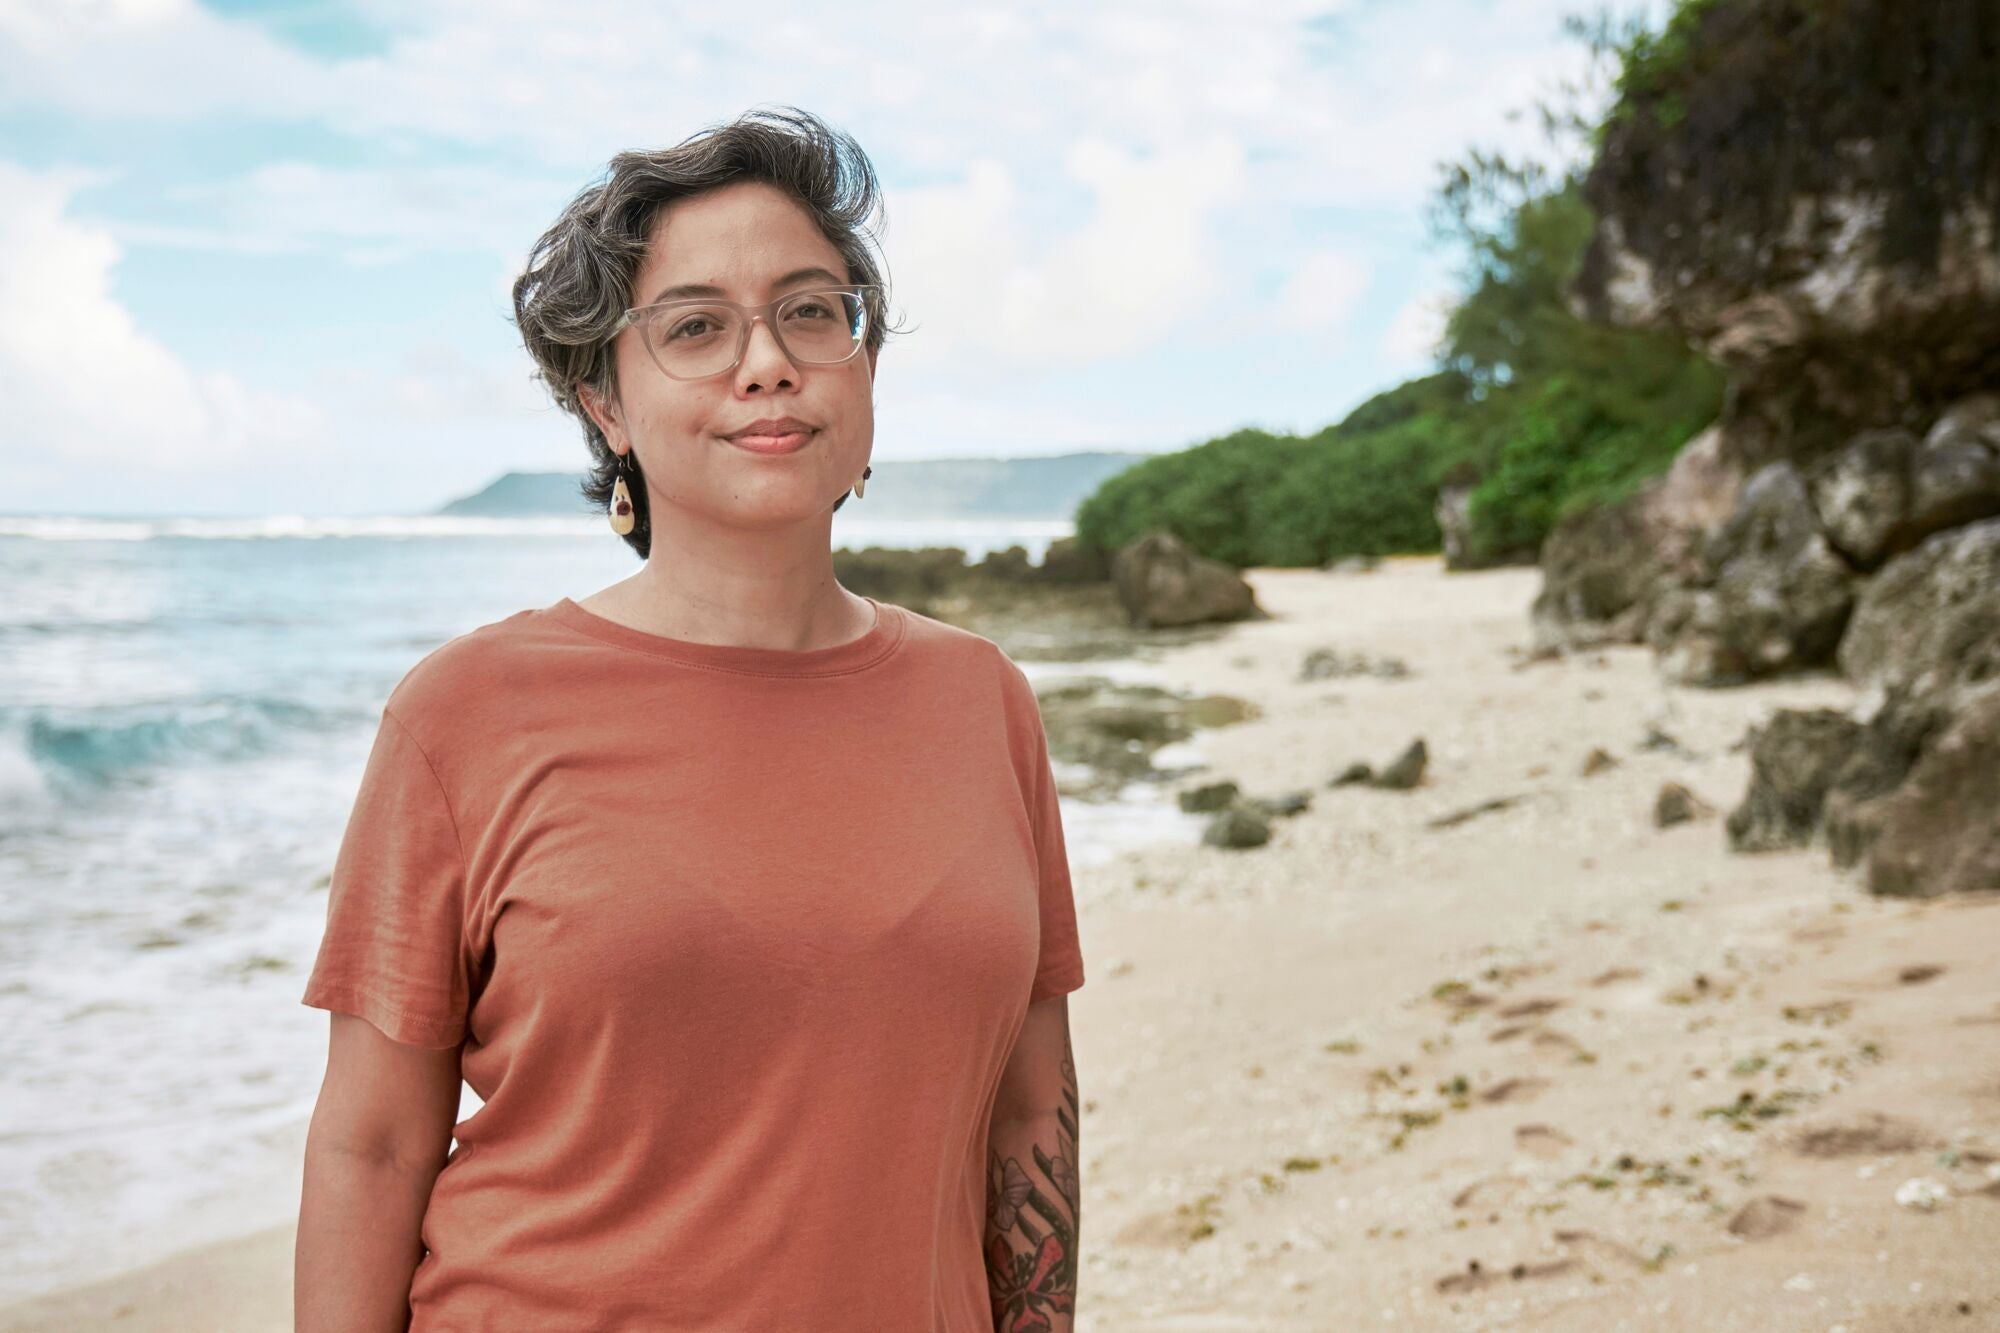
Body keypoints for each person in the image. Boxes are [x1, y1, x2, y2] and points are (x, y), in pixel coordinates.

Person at [294, 105, 1085, 1332]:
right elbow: (373, 1145)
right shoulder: (466, 712)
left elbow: (1031, 1111)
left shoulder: (982, 700)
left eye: (810, 311)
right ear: (604, 402)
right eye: (696, 327)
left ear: (862, 369)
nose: (764, 359)